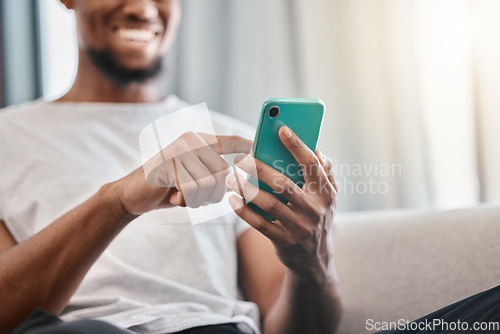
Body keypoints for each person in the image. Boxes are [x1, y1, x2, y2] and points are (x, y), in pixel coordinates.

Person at [0, 1, 341, 334]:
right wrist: (118, 202)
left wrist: (311, 265)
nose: (143, 9)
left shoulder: (233, 141)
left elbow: (289, 326)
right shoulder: (8, 136)